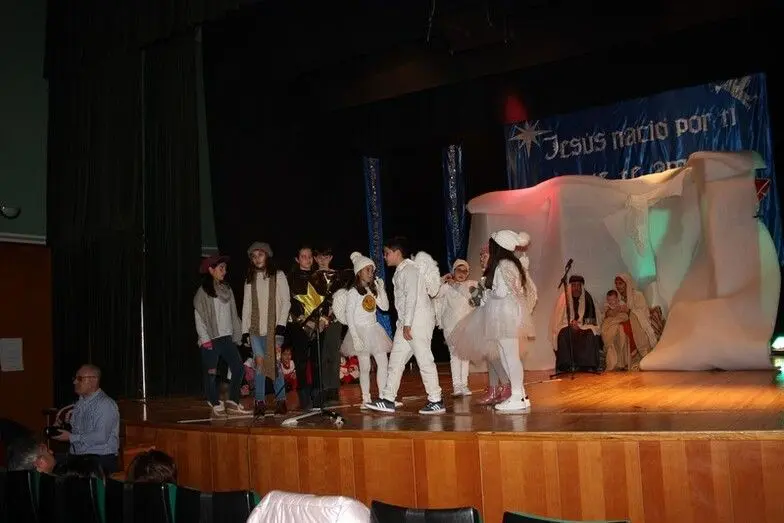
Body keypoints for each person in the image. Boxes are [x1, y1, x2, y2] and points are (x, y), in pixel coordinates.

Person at [450, 230, 535, 411]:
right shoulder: (509, 264)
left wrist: (488, 293)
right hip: (505, 314)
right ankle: (520, 394)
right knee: (506, 356)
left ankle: (518, 396)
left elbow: (501, 292)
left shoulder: (504, 265)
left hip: (504, 315)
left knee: (509, 357)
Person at [366, 237, 445, 415]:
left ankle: (436, 400)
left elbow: (411, 298)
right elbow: (403, 302)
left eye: (387, 253)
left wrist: (408, 323)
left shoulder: (409, 270)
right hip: (406, 323)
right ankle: (388, 398)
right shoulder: (401, 271)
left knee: (424, 359)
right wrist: (403, 323)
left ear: (397, 253)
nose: (385, 256)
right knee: (396, 360)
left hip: (417, 321)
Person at [241, 241, 291, 416]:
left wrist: (281, 325)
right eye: (254, 256)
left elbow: (286, 302)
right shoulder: (250, 279)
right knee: (259, 364)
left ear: (267, 255)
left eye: (260, 255)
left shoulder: (278, 275)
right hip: (255, 330)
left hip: (274, 330)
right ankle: (260, 402)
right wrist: (245, 331)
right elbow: (246, 305)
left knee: (275, 365)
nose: (257, 259)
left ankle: (281, 400)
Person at [194, 255, 247, 416]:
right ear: (211, 270)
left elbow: (233, 314)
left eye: (225, 268)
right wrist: (205, 339)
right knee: (211, 372)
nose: (224, 271)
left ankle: (232, 401)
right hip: (210, 338)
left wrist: (239, 333)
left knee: (238, 368)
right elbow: (199, 316)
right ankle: (213, 400)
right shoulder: (203, 292)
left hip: (226, 337)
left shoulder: (227, 289)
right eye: (221, 268)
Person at [51, 364, 120, 473]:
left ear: (93, 381)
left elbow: (101, 436)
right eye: (75, 378)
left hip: (99, 460)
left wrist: (71, 437)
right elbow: (80, 431)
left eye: (79, 379)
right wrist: (62, 427)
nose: (74, 382)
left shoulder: (105, 404)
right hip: (79, 457)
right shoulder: (80, 403)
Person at [344, 252, 392, 407]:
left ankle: (384, 396)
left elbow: (385, 307)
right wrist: (355, 337)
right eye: (367, 270)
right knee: (365, 367)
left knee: (383, 363)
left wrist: (381, 290)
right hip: (360, 332)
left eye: (372, 270)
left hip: (374, 330)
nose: (371, 273)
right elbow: (349, 315)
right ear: (359, 272)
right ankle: (366, 398)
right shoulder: (353, 292)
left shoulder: (372, 289)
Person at [435, 259, 477, 397]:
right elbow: (434, 293)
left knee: (465, 356)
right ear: (453, 271)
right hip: (451, 326)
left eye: (465, 271)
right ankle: (457, 385)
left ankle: (464, 384)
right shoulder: (446, 287)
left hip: (467, 326)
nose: (462, 273)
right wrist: (443, 280)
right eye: (459, 270)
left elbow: (474, 298)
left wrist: (456, 285)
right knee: (455, 356)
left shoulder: (470, 285)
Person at [602, 273, 658, 371]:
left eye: (620, 283)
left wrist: (628, 311)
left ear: (627, 284)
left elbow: (643, 313)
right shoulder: (616, 297)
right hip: (621, 321)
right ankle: (620, 362)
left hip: (636, 322)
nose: (618, 286)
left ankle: (632, 359)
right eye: (616, 284)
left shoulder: (637, 295)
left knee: (623, 328)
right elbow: (606, 312)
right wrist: (610, 313)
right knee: (613, 328)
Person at [550, 274, 603, 371]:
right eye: (574, 285)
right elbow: (559, 318)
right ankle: (566, 365)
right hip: (567, 325)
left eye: (579, 285)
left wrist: (580, 325)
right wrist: (571, 323)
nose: (576, 288)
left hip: (584, 326)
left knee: (590, 334)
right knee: (564, 333)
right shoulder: (564, 298)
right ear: (570, 286)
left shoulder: (588, 298)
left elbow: (592, 320)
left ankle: (586, 365)